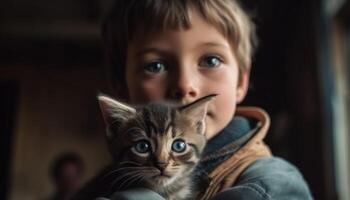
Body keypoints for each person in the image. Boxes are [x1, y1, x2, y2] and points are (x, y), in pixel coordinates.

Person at [77, 0, 313, 199]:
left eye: (210, 61)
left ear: (241, 82)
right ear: (121, 87)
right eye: (156, 66)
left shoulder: (270, 184)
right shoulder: (117, 174)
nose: (184, 85)